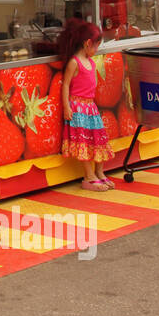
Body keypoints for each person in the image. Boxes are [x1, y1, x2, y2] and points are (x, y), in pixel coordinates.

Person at [57, 17, 113, 190]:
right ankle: (88, 176)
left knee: (98, 139)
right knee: (84, 141)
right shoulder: (75, 63)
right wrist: (67, 107)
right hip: (78, 108)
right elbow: (66, 85)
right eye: (96, 45)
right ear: (88, 43)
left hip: (90, 107)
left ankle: (100, 172)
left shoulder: (91, 62)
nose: (97, 49)